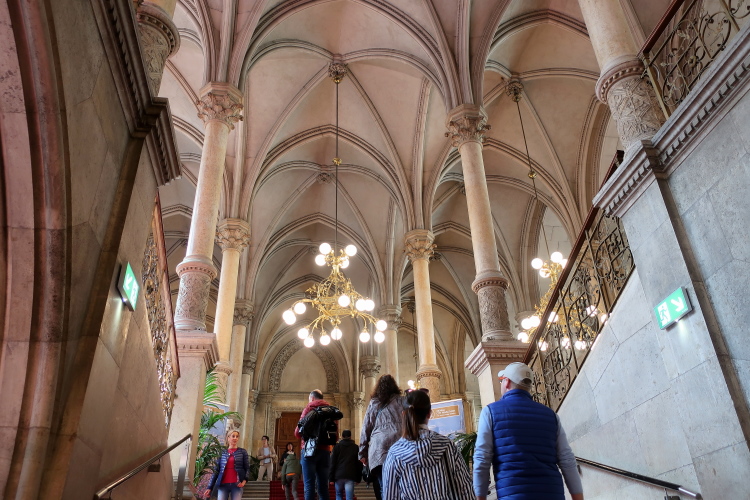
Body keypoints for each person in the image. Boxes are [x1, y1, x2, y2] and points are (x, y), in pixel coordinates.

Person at [473, 362, 584, 500]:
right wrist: (578, 497)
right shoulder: (550, 415)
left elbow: (482, 459)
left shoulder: (490, 412)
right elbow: (567, 459)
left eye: (501, 381)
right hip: (552, 493)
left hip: (513, 494)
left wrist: (480, 497)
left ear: (507, 382)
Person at [381, 389, 473, 500]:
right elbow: (465, 489)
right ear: (429, 414)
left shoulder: (394, 454)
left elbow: (390, 495)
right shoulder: (448, 446)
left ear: (403, 414)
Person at [359, 374, 404, 500]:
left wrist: (362, 453)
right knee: (402, 486)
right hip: (400, 448)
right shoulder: (402, 401)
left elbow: (366, 428)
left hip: (379, 451)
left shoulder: (374, 403)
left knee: (384, 486)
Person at [295, 389, 338, 500]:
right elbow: (335, 436)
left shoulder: (309, 409)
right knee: (323, 487)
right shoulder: (331, 411)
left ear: (312, 398)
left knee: (309, 486)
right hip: (325, 451)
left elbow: (297, 433)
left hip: (309, 451)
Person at [207, 430, 250, 500]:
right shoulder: (222, 452)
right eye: (233, 436)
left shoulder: (243, 452)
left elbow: (247, 468)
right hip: (223, 484)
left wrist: (244, 481)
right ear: (228, 438)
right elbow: (216, 471)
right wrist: (209, 487)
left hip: (237, 484)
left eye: (237, 436)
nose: (235, 438)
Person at [329, 429, 362, 500]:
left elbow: (332, 462)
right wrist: (358, 478)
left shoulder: (337, 447)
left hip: (338, 475)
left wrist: (331, 478)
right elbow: (359, 464)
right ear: (350, 437)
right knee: (349, 497)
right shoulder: (355, 447)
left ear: (342, 436)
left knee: (338, 495)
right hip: (350, 475)